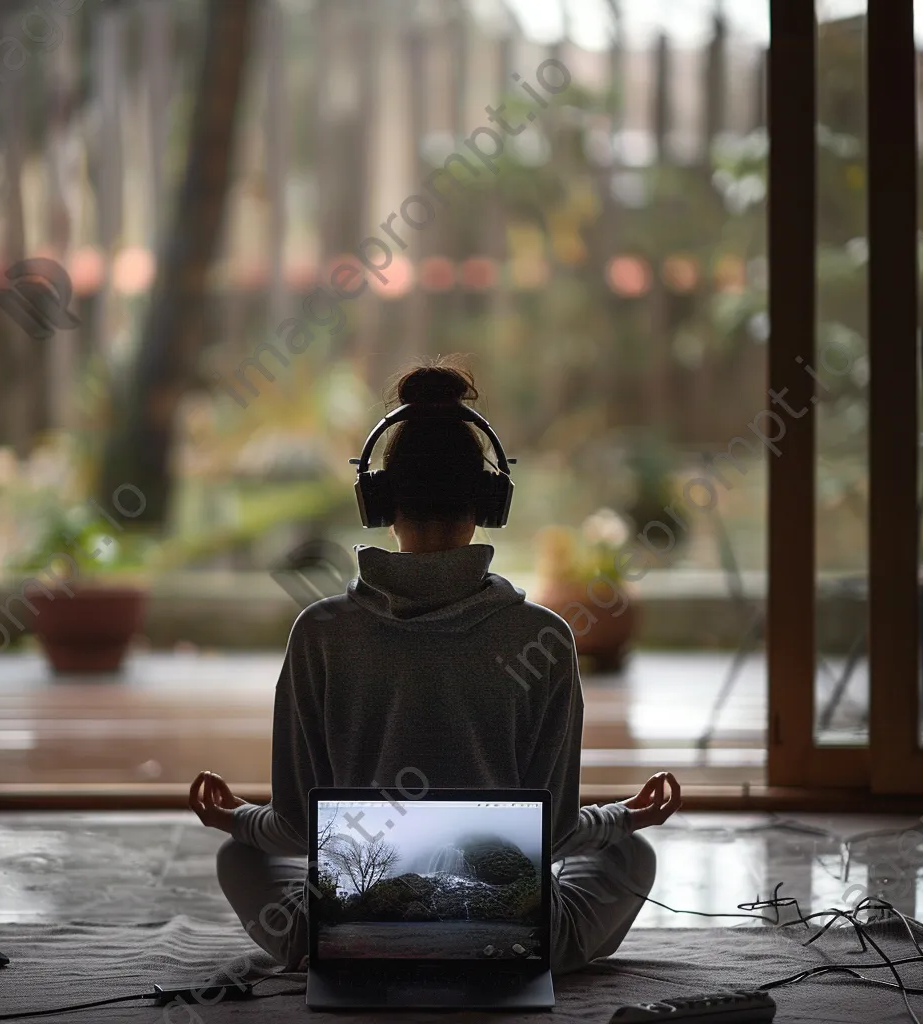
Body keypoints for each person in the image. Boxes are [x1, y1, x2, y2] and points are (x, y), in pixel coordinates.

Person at [189, 357, 682, 975]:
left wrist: (234, 816)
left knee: (239, 856)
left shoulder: (319, 632)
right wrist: (626, 817)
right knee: (629, 853)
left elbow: (293, 829)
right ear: (490, 503)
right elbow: (551, 835)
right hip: (513, 934)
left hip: (353, 924)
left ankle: (323, 948)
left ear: (378, 502)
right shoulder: (545, 638)